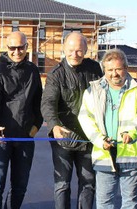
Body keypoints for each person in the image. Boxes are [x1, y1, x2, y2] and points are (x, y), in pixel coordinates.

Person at [77, 49, 137, 209]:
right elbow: (85, 117)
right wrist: (99, 140)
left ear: (126, 68)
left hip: (131, 155)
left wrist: (132, 132)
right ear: (104, 70)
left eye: (118, 69)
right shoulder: (93, 90)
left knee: (130, 203)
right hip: (104, 153)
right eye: (110, 70)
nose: (114, 74)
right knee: (104, 203)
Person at [40, 31, 100, 209]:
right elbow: (48, 103)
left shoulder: (95, 69)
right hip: (64, 138)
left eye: (79, 51)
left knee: (88, 183)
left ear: (86, 50)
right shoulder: (56, 74)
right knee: (62, 184)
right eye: (71, 50)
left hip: (89, 137)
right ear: (64, 49)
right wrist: (54, 125)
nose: (75, 54)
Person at [0, 31, 43, 209]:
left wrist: (35, 127)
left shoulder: (33, 70)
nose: (17, 51)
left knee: (19, 187)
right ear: (7, 48)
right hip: (1, 138)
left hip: (25, 138)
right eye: (13, 48)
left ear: (27, 47)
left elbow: (39, 102)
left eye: (21, 47)